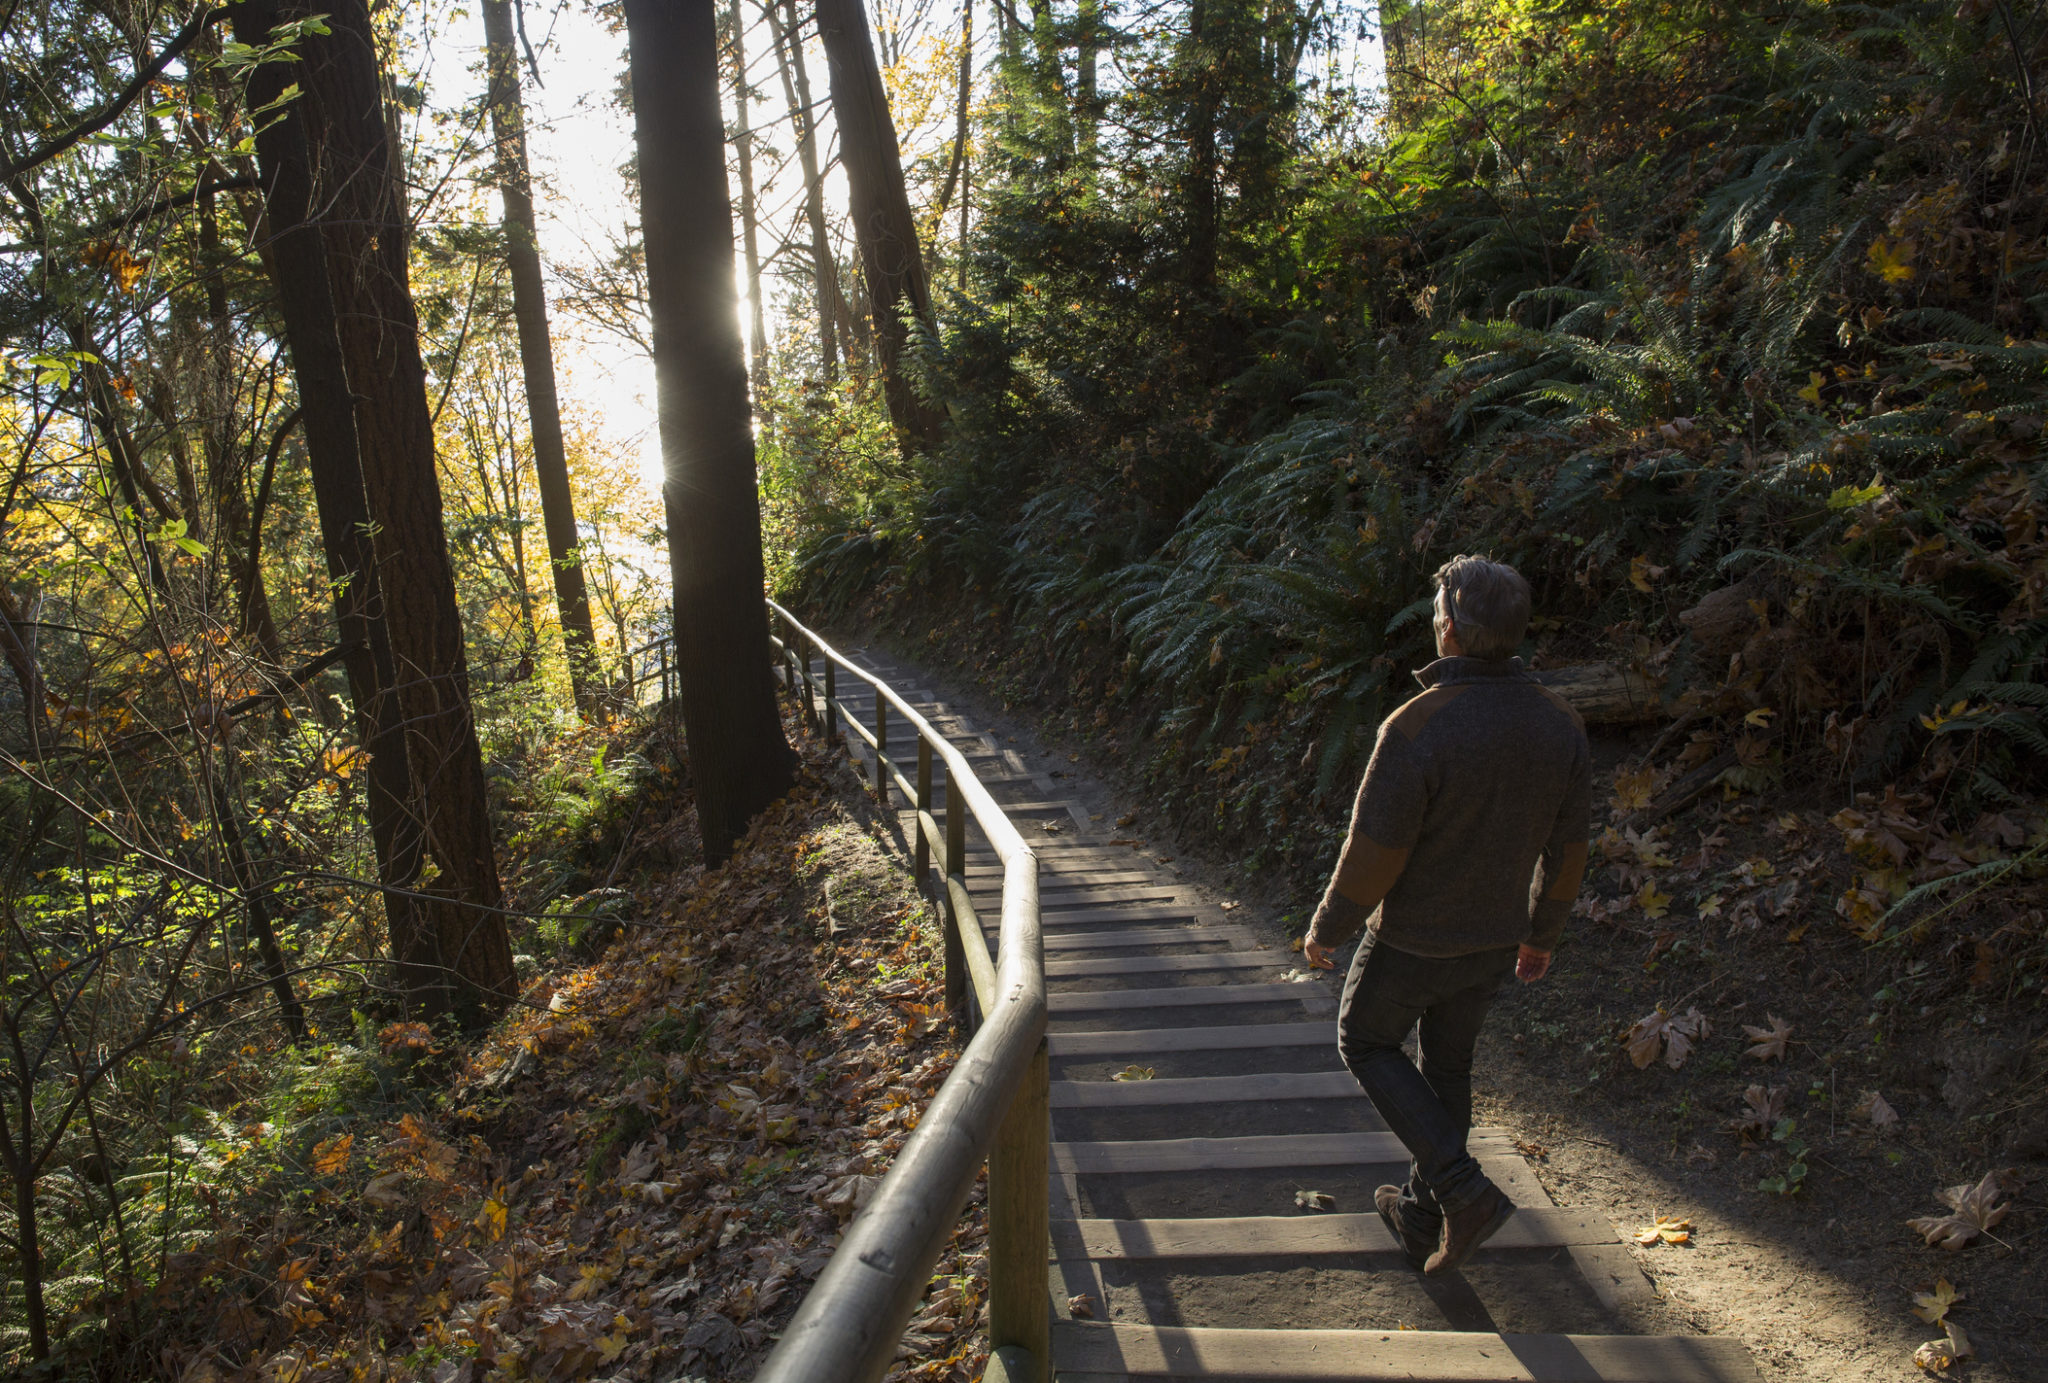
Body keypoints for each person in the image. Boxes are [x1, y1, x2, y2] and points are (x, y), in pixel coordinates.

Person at [1302, 555, 1591, 1275]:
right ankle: (1421, 1214)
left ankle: (1464, 1193)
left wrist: (1328, 927)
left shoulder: (1418, 723)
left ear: (1452, 633)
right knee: (1448, 1065)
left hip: (1412, 940)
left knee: (1364, 1039)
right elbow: (1571, 846)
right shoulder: (1560, 723)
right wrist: (1541, 932)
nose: (1435, 624)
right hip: (1495, 938)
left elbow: (1375, 850)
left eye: (1438, 614)